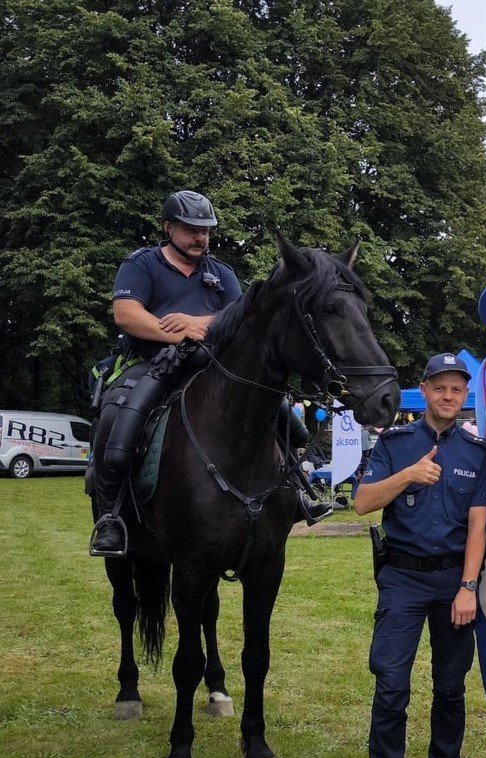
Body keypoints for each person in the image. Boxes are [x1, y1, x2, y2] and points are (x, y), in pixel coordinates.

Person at [89, 190, 329, 557]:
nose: (200, 237)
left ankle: (298, 491)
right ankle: (111, 516)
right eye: (191, 230)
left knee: (283, 418)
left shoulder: (222, 273)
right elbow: (126, 314)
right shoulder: (141, 264)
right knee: (117, 414)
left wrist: (196, 323)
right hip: (152, 362)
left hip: (213, 365)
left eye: (205, 231)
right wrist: (178, 333)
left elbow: (242, 319)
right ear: (168, 227)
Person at [353, 353, 486, 758]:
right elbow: (362, 503)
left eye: (457, 389)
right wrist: (408, 476)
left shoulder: (478, 453)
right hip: (403, 579)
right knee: (391, 684)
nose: (448, 396)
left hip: (454, 581)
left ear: (465, 394)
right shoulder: (395, 444)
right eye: (440, 387)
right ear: (425, 389)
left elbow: (478, 528)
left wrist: (468, 587)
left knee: (451, 686)